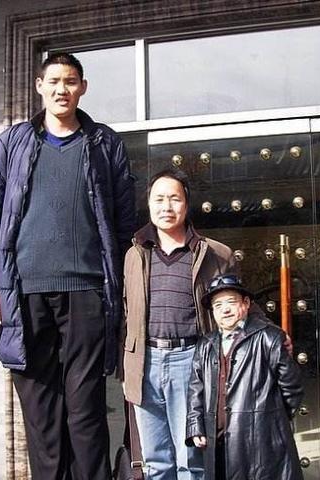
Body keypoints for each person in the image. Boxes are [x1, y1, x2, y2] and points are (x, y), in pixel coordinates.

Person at [0, 52, 135, 480]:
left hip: (87, 291)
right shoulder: (13, 143)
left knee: (86, 410)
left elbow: (123, 223)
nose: (63, 89)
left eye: (71, 81)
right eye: (55, 81)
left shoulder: (104, 144)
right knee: (41, 415)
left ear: (83, 88)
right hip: (24, 293)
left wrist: (120, 288)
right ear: (40, 86)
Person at [121, 169, 287, 480]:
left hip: (191, 361)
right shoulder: (134, 253)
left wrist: (271, 333)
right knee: (154, 462)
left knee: (192, 460)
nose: (166, 207)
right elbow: (127, 312)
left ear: (186, 204)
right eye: (159, 199)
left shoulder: (215, 254)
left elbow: (240, 303)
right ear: (149, 204)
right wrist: (125, 366)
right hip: (145, 363)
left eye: (174, 199)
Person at [186, 274, 304, 480]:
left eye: (231, 302)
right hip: (218, 440)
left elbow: (292, 387)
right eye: (218, 305)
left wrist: (271, 420)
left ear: (246, 303)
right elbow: (196, 388)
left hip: (261, 441)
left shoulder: (269, 338)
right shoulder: (206, 344)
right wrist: (196, 426)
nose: (225, 310)